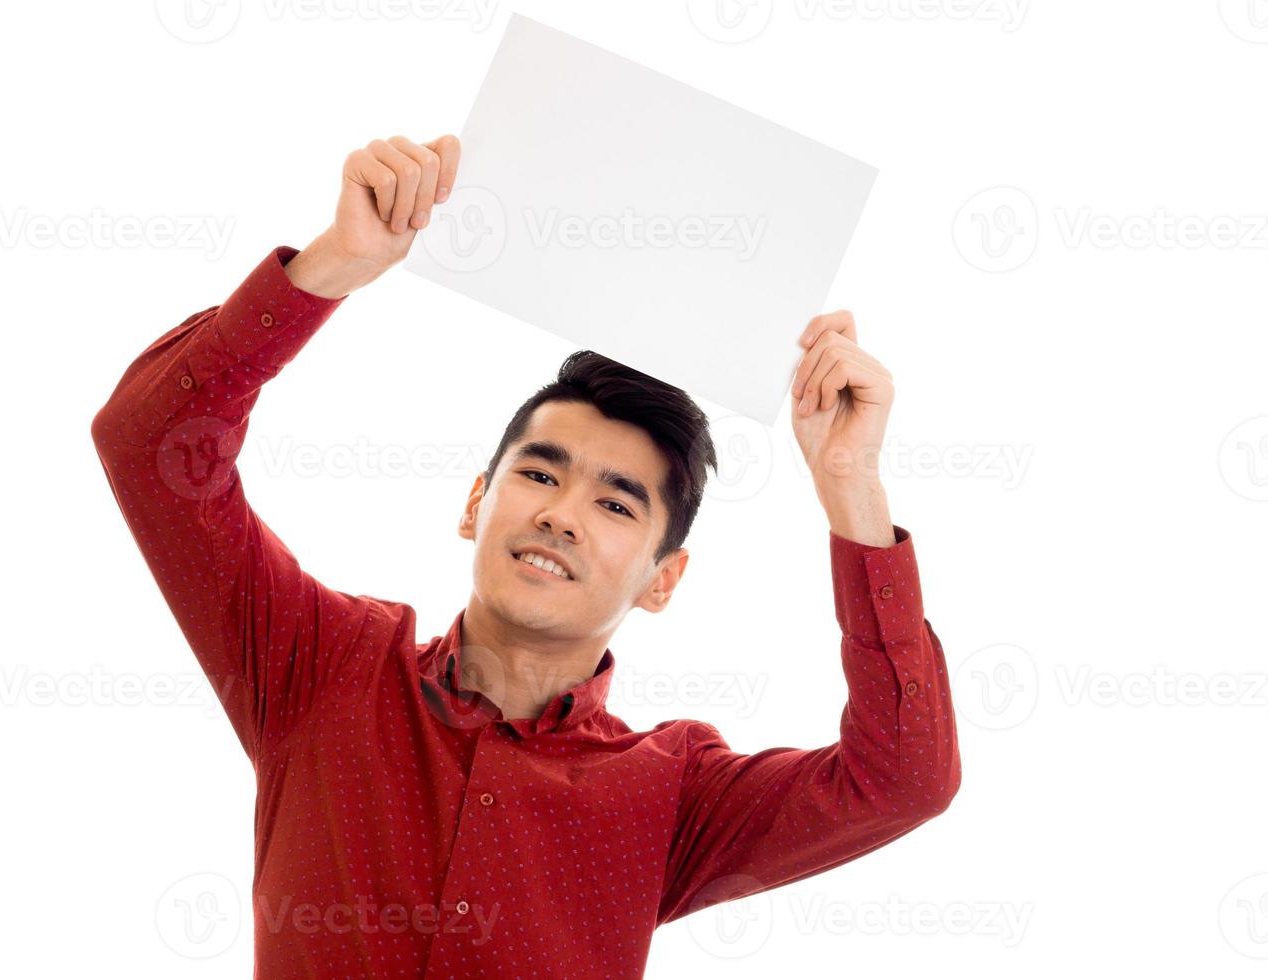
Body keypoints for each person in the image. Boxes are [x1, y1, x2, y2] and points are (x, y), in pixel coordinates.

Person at [90, 132, 961, 979]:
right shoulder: (317, 666)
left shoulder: (673, 794)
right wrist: (334, 265)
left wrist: (852, 487)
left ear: (664, 579)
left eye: (616, 502)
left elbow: (904, 780)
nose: (562, 515)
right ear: (477, 503)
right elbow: (148, 442)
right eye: (541, 473)